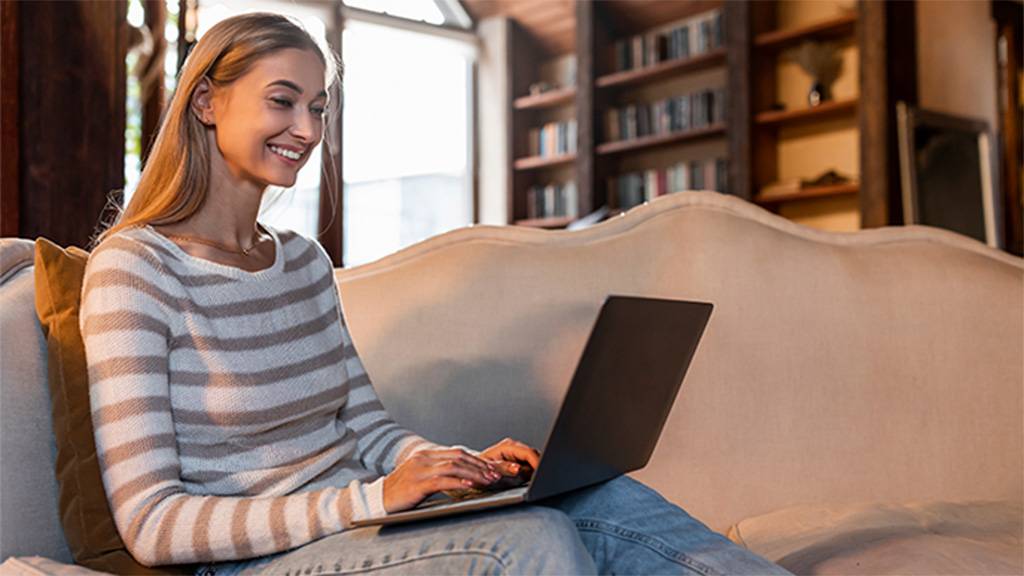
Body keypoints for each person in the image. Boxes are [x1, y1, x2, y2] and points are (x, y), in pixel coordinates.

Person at [81, 12, 792, 576]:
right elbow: (152, 523)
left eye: (319, 107)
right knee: (532, 541)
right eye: (283, 101)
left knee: (596, 493)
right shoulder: (134, 272)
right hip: (255, 560)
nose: (307, 129)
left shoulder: (300, 264)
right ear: (206, 101)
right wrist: (370, 500)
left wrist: (456, 465)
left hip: (363, 525)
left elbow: (365, 428)